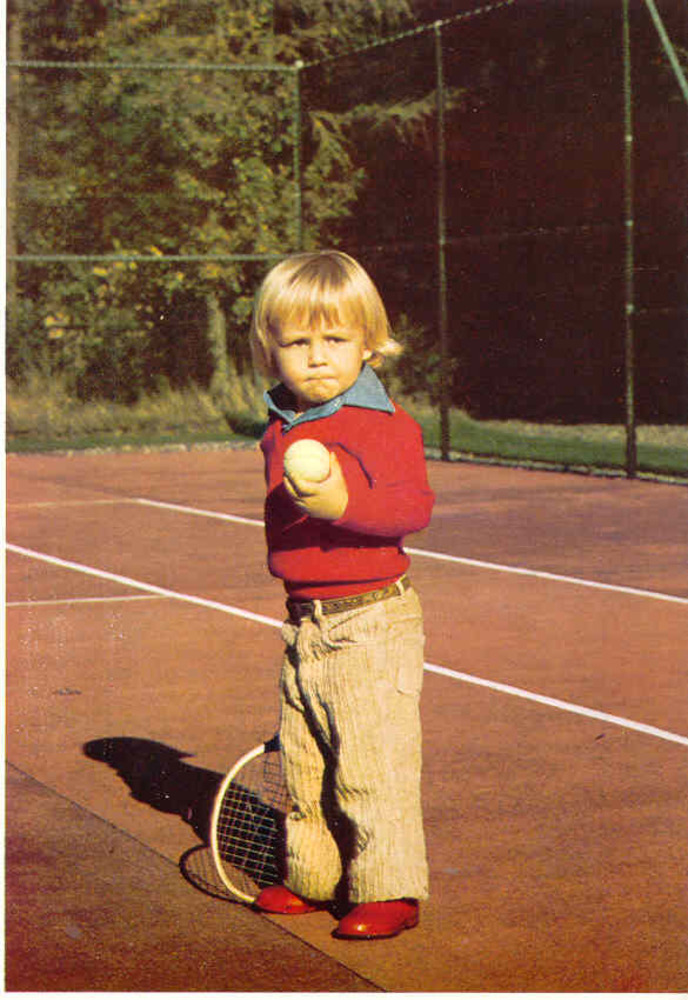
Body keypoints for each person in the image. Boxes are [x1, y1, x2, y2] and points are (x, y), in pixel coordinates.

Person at [248, 250, 434, 940]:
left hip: (371, 620)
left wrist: (341, 503)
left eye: (335, 338)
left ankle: (389, 888)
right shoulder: (281, 425)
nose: (318, 356)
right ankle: (314, 876)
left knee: (369, 764)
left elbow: (411, 507)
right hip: (304, 621)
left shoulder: (383, 423)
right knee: (306, 765)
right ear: (270, 349)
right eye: (298, 342)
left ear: (369, 342)